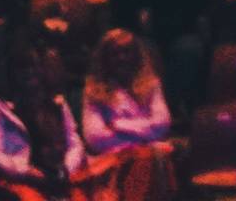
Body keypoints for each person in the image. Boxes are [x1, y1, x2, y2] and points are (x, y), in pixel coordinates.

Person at [76, 29, 177, 201]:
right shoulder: (93, 91)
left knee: (149, 161)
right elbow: (95, 138)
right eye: (115, 54)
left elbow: (162, 125)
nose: (122, 58)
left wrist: (119, 126)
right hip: (112, 162)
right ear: (105, 59)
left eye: (126, 52)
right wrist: (140, 139)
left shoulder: (152, 84)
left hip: (148, 157)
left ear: (136, 55)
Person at [0, 42, 86, 201]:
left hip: (58, 174)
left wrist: (66, 168)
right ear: (13, 73)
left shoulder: (57, 103)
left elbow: (74, 142)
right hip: (19, 178)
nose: (29, 73)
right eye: (22, 68)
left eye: (34, 67)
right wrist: (26, 171)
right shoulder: (3, 109)